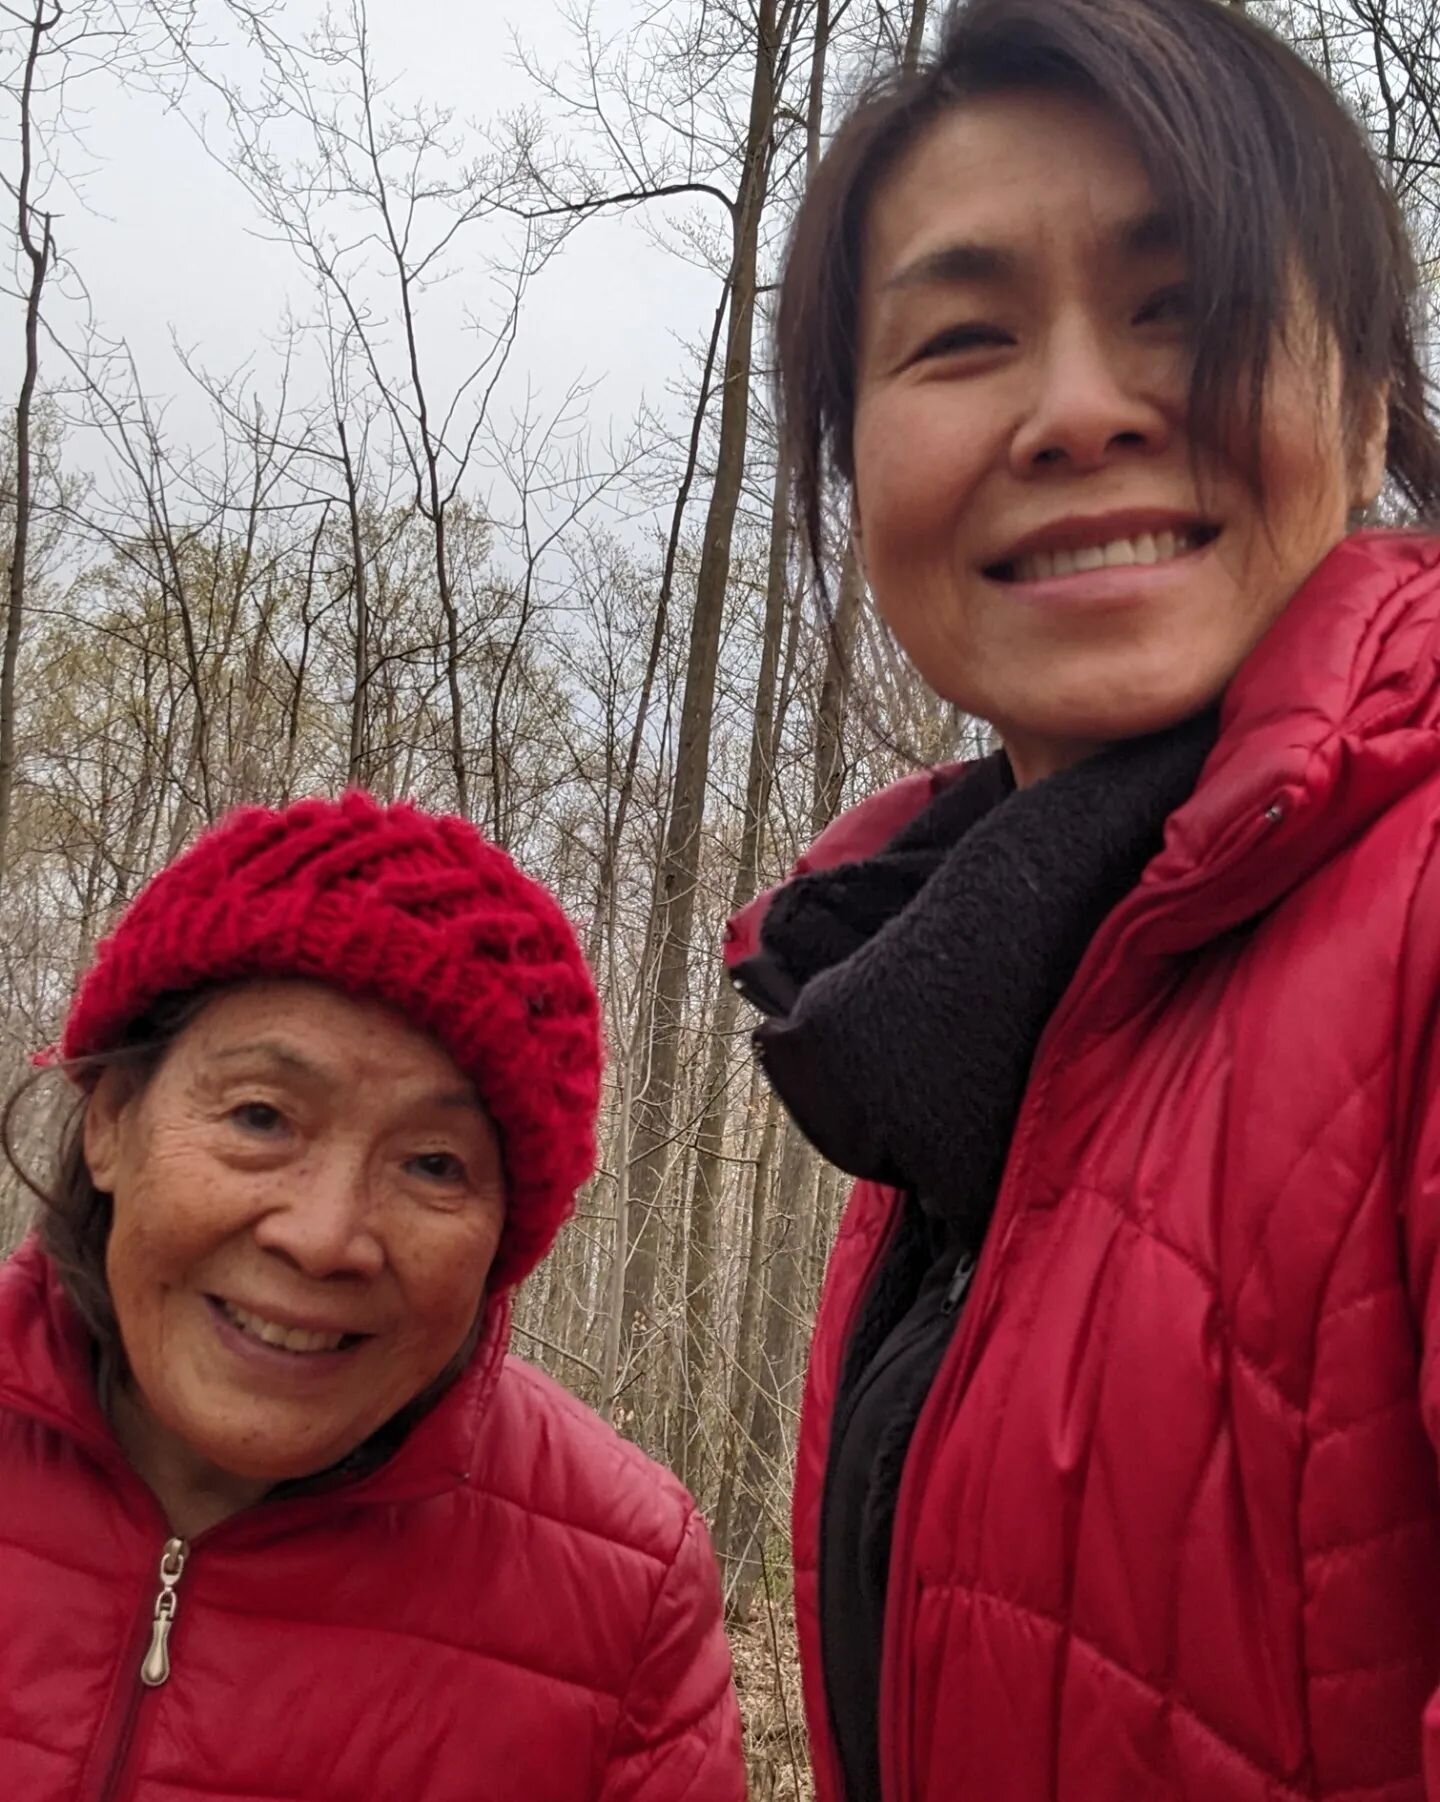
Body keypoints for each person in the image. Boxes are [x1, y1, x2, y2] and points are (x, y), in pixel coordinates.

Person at [723, 0, 1440, 1797]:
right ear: (851, 459)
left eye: (1180, 307)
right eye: (961, 339)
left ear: (1364, 402)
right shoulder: (945, 1024)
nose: (1075, 410)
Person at [0, 791, 744, 1801]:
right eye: (262, 1115)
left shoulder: (626, 1589)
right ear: (113, 1122)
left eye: (434, 1165)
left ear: (501, 1239)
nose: (323, 1235)